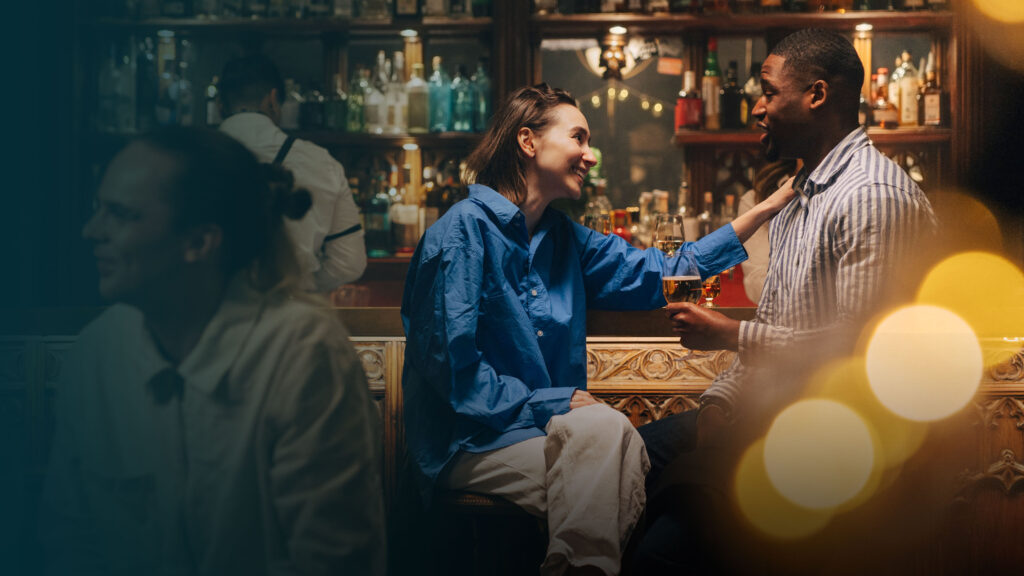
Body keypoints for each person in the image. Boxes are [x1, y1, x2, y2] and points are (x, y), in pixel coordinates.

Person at [400, 83, 795, 576]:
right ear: (528, 142)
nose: (590, 155)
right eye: (579, 138)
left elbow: (666, 271)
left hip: (547, 434)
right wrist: (555, 402)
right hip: (470, 441)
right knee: (617, 460)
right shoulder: (462, 232)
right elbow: (455, 374)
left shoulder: (564, 237)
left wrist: (760, 213)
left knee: (610, 464)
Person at [632, 29, 937, 574]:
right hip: (763, 417)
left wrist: (729, 333)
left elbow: (859, 351)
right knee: (617, 464)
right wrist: (722, 401)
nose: (756, 108)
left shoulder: (870, 196)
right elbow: (775, 326)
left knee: (658, 552)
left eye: (769, 92)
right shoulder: (802, 195)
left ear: (816, 95)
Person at [39, 127, 386, 575]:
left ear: (200, 241)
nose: (91, 232)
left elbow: (336, 561)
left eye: (121, 214)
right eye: (97, 209)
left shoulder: (304, 354)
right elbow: (69, 541)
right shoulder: (98, 352)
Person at [218, 54, 366, 292]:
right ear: (274, 100)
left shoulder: (186, 160)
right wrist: (300, 287)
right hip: (291, 315)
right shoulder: (321, 163)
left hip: (209, 319)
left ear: (219, 106)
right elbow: (349, 263)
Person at [738, 159, 798, 304]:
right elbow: (757, 280)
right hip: (779, 317)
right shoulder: (756, 198)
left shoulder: (847, 190)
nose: (764, 136)